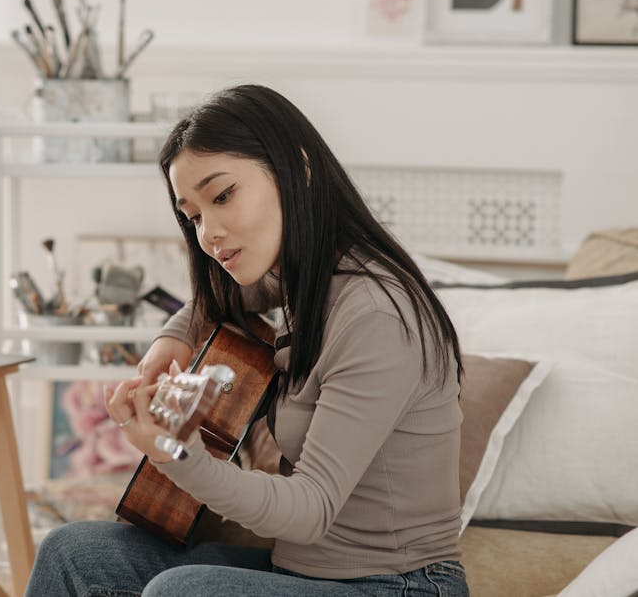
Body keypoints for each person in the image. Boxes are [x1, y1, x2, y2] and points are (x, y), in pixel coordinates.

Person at [25, 85, 469, 596]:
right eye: (193, 215)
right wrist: (173, 339)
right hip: (302, 575)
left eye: (222, 196)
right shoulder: (307, 277)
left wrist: (179, 454)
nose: (208, 233)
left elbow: (309, 512)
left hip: (401, 585)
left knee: (181, 592)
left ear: (296, 170)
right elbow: (223, 301)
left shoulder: (375, 315)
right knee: (71, 553)